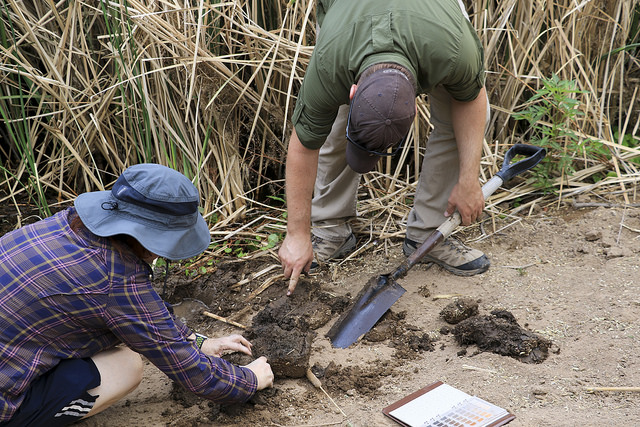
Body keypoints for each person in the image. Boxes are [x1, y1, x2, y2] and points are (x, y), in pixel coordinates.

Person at [0, 164, 274, 426]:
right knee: (126, 364)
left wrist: (198, 341)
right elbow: (196, 376)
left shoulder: (66, 223)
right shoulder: (115, 278)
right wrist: (250, 378)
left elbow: (140, 312)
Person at [279, 0, 492, 295]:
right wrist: (297, 234)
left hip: (429, 22)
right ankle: (330, 228)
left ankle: (428, 232)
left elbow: (471, 99)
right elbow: (303, 145)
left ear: (416, 109)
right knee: (334, 118)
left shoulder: (453, 48)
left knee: (457, 120)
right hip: (347, 20)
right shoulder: (331, 62)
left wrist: (469, 179)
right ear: (352, 92)